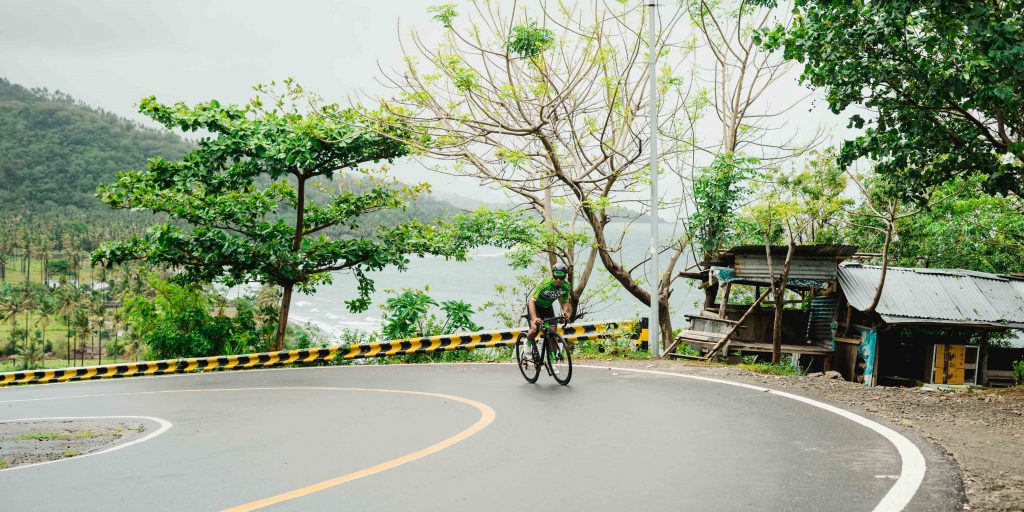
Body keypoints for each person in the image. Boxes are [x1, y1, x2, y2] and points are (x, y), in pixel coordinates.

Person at [525, 263, 573, 354]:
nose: (558, 280)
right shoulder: (545, 284)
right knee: (535, 329)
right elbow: (531, 301)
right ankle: (527, 342)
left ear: (565, 277)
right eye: (556, 277)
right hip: (535, 307)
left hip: (547, 307)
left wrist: (565, 312)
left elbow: (565, 301)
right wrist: (534, 318)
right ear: (552, 275)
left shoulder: (566, 286)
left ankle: (552, 360)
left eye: (561, 278)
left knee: (553, 333)